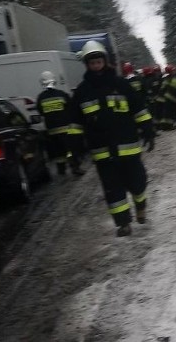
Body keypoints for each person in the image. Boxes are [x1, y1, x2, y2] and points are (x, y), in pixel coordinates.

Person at [69, 41, 155, 237]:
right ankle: (123, 223)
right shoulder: (82, 92)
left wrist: (148, 130)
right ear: (87, 65)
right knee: (113, 191)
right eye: (92, 63)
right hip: (103, 154)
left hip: (129, 149)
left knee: (138, 183)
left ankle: (140, 205)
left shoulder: (121, 84)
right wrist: (73, 151)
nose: (96, 66)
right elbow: (75, 124)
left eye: (99, 62)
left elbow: (139, 109)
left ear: (105, 61)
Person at [36, 71, 84, 176]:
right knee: (70, 150)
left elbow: (41, 112)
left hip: (52, 130)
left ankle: (61, 170)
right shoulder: (62, 94)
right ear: (54, 80)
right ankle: (75, 167)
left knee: (58, 152)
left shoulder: (40, 98)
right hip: (66, 128)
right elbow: (71, 108)